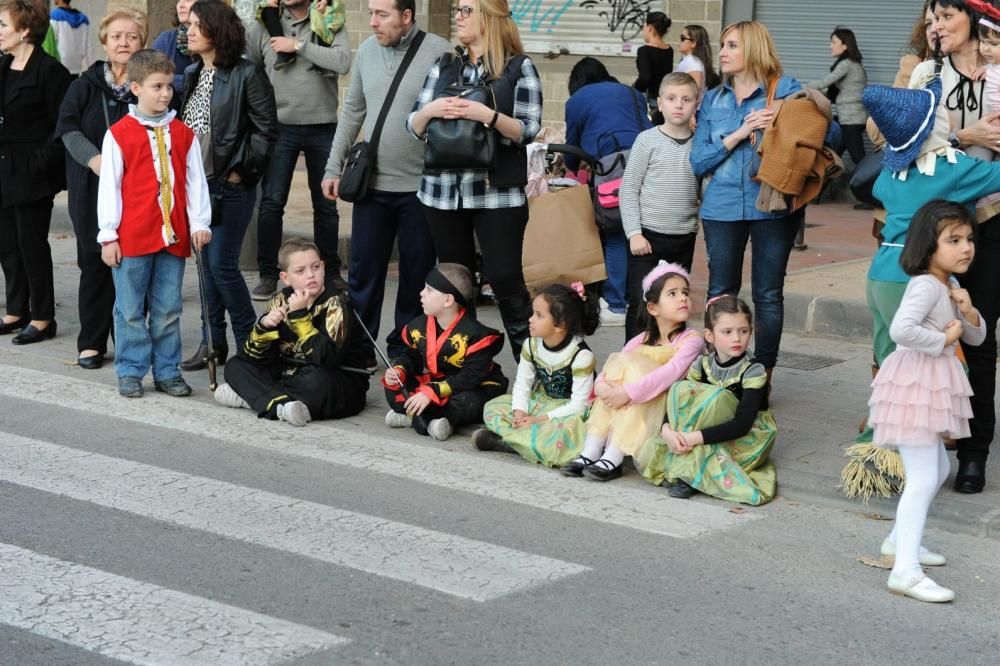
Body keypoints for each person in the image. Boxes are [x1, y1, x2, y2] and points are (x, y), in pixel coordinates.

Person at [406, 0, 542, 362]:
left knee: (506, 281)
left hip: (496, 193)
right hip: (441, 193)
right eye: (457, 10)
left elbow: (528, 130)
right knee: (455, 285)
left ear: (490, 17)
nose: (458, 17)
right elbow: (414, 126)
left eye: (467, 10)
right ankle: (468, 370)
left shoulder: (519, 68)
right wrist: (431, 110)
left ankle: (538, 372)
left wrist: (489, 115)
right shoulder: (444, 64)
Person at [868, 200, 985, 603]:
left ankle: (900, 542)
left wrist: (969, 314)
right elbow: (902, 330)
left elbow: (978, 339)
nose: (966, 247)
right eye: (953, 240)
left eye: (968, 238)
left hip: (929, 385)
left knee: (935, 467)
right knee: (923, 476)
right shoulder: (923, 285)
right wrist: (944, 340)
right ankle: (905, 571)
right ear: (927, 245)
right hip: (915, 386)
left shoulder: (949, 285)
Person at [323, 0, 449, 369]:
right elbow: (352, 111)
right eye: (371, 14)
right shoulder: (365, 52)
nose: (373, 23)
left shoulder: (438, 51)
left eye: (382, 15)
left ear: (406, 16)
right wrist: (333, 167)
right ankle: (359, 351)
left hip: (420, 189)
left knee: (415, 275)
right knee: (363, 274)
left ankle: (404, 353)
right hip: (372, 187)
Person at [690, 20, 804, 385]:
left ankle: (762, 377)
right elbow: (698, 161)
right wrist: (740, 133)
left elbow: (823, 132)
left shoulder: (784, 89)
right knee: (721, 292)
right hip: (721, 207)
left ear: (753, 48)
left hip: (772, 204)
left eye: (732, 45)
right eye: (722, 45)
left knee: (768, 293)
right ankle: (719, 373)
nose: (722, 52)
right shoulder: (712, 99)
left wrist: (783, 123)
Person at [96, 49, 212, 398]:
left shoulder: (183, 134)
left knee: (168, 309)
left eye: (168, 87)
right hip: (131, 238)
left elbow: (195, 182)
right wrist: (108, 234)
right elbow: (110, 187)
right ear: (135, 88)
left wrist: (199, 223)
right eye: (156, 86)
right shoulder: (119, 134)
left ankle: (166, 370)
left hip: (172, 237)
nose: (165, 94)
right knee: (130, 309)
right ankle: (131, 370)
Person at [918, 0, 1000, 493]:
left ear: (974, 18)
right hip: (936, 227)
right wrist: (964, 135)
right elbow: (904, 144)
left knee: (980, 337)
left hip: (991, 222)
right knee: (930, 337)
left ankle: (975, 453)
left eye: (947, 16)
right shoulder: (928, 73)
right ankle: (930, 443)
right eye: (932, 19)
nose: (937, 26)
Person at [179, 0, 278, 372]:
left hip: (230, 185)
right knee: (205, 270)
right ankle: (212, 344)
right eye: (187, 25)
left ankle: (252, 344)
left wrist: (240, 172)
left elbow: (267, 130)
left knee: (221, 266)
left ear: (217, 30)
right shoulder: (191, 73)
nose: (187, 31)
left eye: (196, 25)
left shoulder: (246, 74)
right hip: (198, 187)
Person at [56, 7, 148, 369]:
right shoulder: (84, 85)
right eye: (116, 36)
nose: (123, 42)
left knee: (135, 267)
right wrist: (97, 161)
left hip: (138, 192)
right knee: (94, 266)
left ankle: (129, 340)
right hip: (91, 190)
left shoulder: (149, 86)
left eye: (132, 37)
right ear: (105, 42)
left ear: (142, 43)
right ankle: (92, 341)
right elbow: (67, 128)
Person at [561, 262, 703, 482]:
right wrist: (602, 387)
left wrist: (627, 392)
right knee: (624, 363)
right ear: (653, 308)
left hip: (664, 403)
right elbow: (614, 367)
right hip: (631, 396)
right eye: (673, 293)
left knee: (636, 373)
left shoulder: (691, 340)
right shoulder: (640, 340)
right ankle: (591, 450)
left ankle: (614, 456)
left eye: (685, 293)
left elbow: (671, 373)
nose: (683, 298)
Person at [246, 0, 350, 301]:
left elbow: (343, 62)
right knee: (271, 203)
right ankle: (268, 274)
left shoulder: (330, 19)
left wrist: (299, 46)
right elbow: (250, 70)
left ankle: (330, 272)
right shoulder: (264, 24)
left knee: (326, 205)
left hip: (323, 125)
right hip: (278, 127)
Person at [638, 295, 777, 504]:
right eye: (727, 332)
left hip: (741, 434)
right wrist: (667, 430)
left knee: (717, 398)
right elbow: (680, 403)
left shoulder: (753, 371)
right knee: (681, 388)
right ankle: (686, 460)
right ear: (709, 336)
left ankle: (687, 474)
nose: (737, 339)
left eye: (744, 331)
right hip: (701, 427)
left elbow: (742, 424)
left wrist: (692, 438)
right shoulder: (701, 364)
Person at [215, 238, 370, 426]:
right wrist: (264, 327)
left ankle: (255, 398)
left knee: (317, 383)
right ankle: (282, 406)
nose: (311, 275)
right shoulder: (280, 299)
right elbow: (252, 356)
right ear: (285, 278)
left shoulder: (336, 304)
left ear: (323, 266)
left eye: (315, 267)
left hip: (334, 377)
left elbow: (327, 358)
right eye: (300, 271)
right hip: (289, 371)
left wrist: (299, 317)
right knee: (235, 366)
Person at [0, 0, 72, 345]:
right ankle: (17, 310)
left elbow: (60, 126)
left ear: (25, 30)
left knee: (32, 245)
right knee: (7, 245)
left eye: (3, 25)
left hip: (33, 173)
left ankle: (43, 317)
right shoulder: (2, 64)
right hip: (3, 167)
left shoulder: (50, 71)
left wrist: (39, 162)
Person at [565, 56, 652, 328]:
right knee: (638, 231)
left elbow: (573, 146)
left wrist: (569, 167)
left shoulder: (577, 100)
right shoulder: (631, 92)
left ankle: (615, 303)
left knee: (615, 232)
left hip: (613, 166)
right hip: (649, 161)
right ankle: (638, 300)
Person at [473, 282, 599, 466]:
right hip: (541, 401)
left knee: (567, 432)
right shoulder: (531, 345)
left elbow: (579, 405)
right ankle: (528, 443)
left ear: (559, 325)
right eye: (533, 313)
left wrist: (539, 420)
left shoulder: (581, 356)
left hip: (566, 412)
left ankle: (506, 442)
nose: (530, 319)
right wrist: (519, 412)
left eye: (539, 315)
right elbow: (522, 384)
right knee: (494, 407)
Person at [383, 263, 508, 441]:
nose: (422, 293)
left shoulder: (476, 335)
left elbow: (471, 377)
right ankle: (429, 420)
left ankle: (415, 418)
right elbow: (411, 357)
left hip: (471, 386)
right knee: (396, 386)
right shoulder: (418, 326)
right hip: (437, 384)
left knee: (468, 403)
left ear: (448, 300)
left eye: (429, 290)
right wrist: (399, 369)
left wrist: (433, 391)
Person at [620, 72, 701, 340]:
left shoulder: (700, 145)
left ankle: (670, 362)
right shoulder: (647, 140)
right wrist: (634, 233)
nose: (679, 105)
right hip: (646, 239)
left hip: (682, 238)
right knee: (641, 303)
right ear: (660, 103)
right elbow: (629, 188)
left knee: (676, 307)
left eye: (686, 99)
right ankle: (632, 360)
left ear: (696, 104)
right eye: (671, 98)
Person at [807, 27, 867, 168]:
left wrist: (803, 88)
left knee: (859, 158)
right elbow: (830, 92)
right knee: (832, 158)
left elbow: (824, 83)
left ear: (845, 45)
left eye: (834, 42)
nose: (830, 46)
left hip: (851, 120)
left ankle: (873, 188)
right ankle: (824, 187)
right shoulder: (852, 63)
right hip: (848, 119)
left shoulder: (846, 64)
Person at [632, 11, 673, 124]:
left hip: (649, 100)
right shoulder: (669, 49)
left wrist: (634, 88)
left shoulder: (644, 51)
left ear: (649, 27)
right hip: (663, 98)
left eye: (644, 26)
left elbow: (645, 78)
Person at [152, 0, 198, 93]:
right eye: (179, 1)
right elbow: (151, 77)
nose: (181, 5)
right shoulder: (165, 40)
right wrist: (195, 82)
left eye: (188, 0)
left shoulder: (218, 40)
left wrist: (169, 80)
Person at [675, 24, 719, 97]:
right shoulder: (691, 60)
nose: (679, 41)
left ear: (693, 43)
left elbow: (694, 91)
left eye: (683, 38)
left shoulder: (693, 63)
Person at [50, 0, 90, 78]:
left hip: (59, 65)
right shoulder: (83, 19)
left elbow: (51, 41)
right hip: (76, 66)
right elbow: (88, 46)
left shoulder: (55, 16)